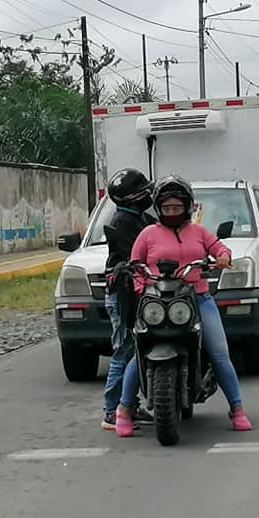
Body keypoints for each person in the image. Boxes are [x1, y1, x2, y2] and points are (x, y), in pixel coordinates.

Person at [113, 175, 253, 437]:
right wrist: (141, 288)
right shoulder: (147, 234)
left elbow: (219, 248)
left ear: (187, 207)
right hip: (155, 301)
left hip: (196, 298)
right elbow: (135, 265)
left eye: (177, 207)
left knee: (219, 353)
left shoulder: (199, 232)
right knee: (138, 351)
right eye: (166, 208)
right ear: (158, 208)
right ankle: (124, 409)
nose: (172, 212)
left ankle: (237, 408)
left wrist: (223, 257)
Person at [100, 168, 156, 431]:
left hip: (136, 293)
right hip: (123, 295)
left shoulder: (139, 218)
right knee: (124, 352)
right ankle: (112, 410)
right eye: (143, 192)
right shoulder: (123, 222)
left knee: (135, 351)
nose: (148, 196)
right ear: (131, 198)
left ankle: (129, 405)